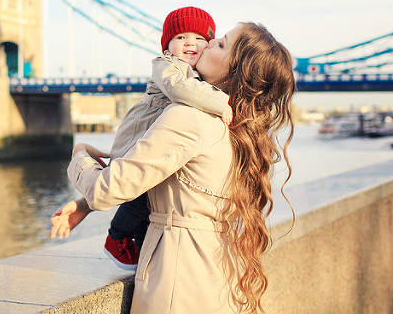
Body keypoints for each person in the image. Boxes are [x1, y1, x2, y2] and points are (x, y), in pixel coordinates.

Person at [52, 22, 296, 314]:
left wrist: (79, 154)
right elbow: (171, 186)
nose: (209, 41)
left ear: (235, 73)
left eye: (221, 43)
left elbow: (108, 189)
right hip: (220, 275)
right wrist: (85, 205)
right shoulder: (241, 129)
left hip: (177, 281)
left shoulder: (189, 117)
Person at [58, 7, 233, 270]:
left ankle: (137, 247)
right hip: (138, 137)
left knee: (147, 202)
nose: (190, 43)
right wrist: (221, 103)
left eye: (200, 39)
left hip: (153, 144)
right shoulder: (167, 66)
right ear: (167, 47)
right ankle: (117, 237)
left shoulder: (198, 79)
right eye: (181, 37)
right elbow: (179, 88)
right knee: (141, 198)